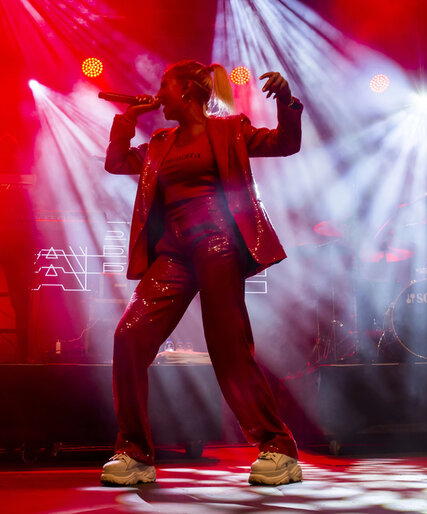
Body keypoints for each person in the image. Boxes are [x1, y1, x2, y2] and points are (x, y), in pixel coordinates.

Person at [100, 60, 303, 486]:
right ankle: (134, 452)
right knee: (129, 335)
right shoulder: (159, 141)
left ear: (188, 90)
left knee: (228, 346)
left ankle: (277, 447)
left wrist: (285, 100)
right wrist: (127, 119)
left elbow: (286, 143)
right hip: (173, 253)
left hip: (218, 242)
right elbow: (115, 163)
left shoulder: (229, 129)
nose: (159, 95)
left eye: (164, 87)